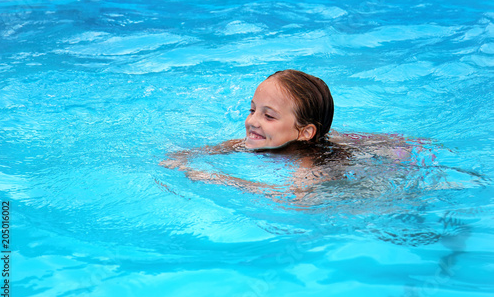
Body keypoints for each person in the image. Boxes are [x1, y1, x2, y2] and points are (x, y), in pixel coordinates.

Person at [159, 69, 423, 198]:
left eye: (269, 115)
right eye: (252, 110)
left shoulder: (309, 164)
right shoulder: (260, 140)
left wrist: (217, 179)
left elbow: (296, 198)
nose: (252, 121)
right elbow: (222, 147)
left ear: (305, 132)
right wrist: (183, 157)